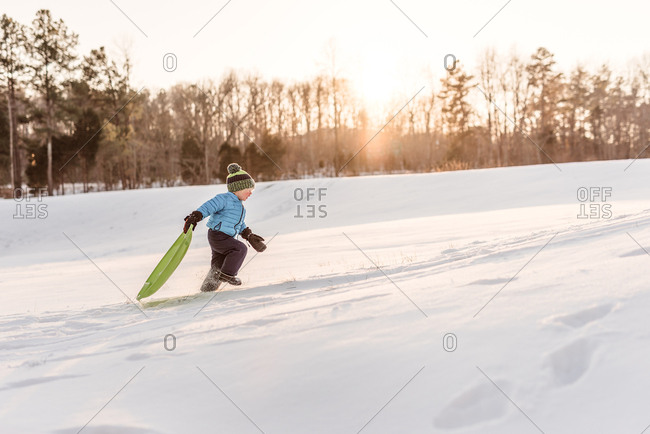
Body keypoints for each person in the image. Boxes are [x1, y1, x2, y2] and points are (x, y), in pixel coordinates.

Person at [183, 163, 266, 290]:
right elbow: (208, 206)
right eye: (248, 190)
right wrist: (196, 216)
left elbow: (239, 224)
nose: (250, 193)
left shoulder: (240, 206)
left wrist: (248, 235)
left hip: (223, 238)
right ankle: (228, 275)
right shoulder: (224, 199)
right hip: (218, 236)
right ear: (238, 188)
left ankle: (207, 289)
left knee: (217, 267)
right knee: (240, 249)